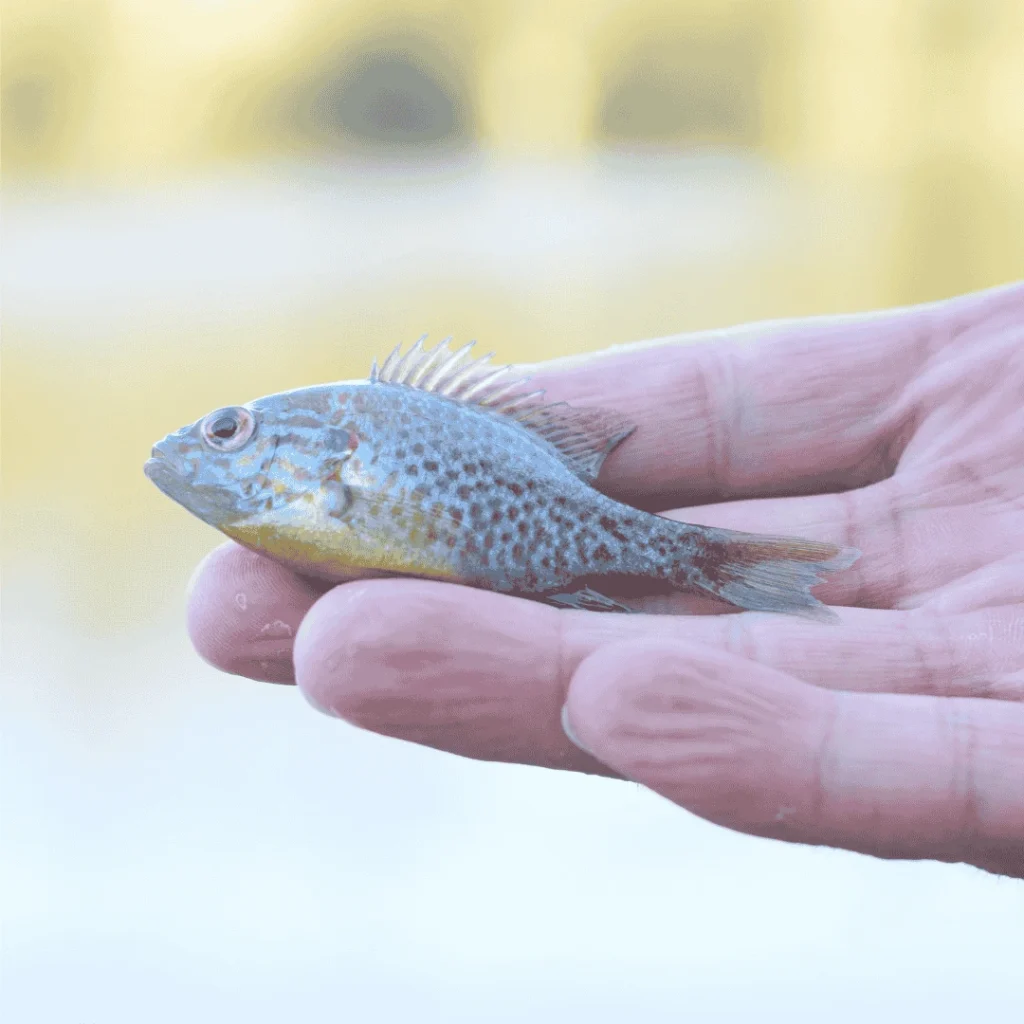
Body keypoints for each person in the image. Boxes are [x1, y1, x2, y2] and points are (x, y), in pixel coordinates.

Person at [186, 282, 1024, 879]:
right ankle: (731, 567)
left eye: (229, 432)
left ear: (314, 451)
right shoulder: (320, 476)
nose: (206, 444)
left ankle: (726, 565)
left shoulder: (341, 451)